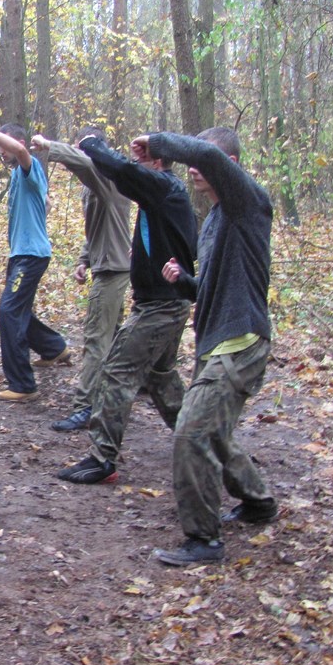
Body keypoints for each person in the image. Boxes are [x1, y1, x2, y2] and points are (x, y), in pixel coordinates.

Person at [135, 127, 276, 566]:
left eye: (204, 160)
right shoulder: (215, 219)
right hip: (216, 343)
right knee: (214, 430)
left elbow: (206, 156)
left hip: (240, 344)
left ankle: (204, 540)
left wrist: (159, 143)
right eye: (193, 161)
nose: (194, 168)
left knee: (190, 431)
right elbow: (215, 289)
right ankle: (257, 501)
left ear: (230, 167)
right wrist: (186, 282)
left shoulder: (247, 201)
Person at [55, 133, 197, 485]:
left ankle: (102, 458)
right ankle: (201, 442)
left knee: (117, 371)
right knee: (161, 376)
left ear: (157, 163)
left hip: (161, 306)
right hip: (164, 302)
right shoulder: (165, 195)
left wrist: (91, 144)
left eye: (142, 162)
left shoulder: (165, 188)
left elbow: (120, 170)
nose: (135, 167)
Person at [30, 128, 132, 431]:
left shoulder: (110, 178)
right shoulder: (96, 184)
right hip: (106, 264)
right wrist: (84, 260)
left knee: (97, 338)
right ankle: (119, 392)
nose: (79, 154)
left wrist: (50, 146)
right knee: (116, 337)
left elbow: (85, 163)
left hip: (112, 270)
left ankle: (86, 407)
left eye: (82, 149)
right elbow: (96, 226)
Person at [0, 120, 68, 402]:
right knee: (18, 310)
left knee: (9, 312)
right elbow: (45, 203)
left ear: (18, 144)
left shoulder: (28, 165)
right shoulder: (19, 176)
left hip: (31, 256)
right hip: (22, 254)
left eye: (3, 145)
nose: (1, 150)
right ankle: (54, 347)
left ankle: (23, 385)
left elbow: (22, 152)